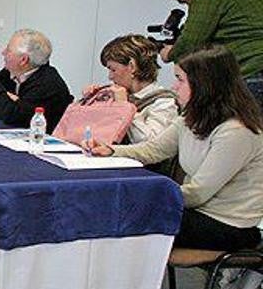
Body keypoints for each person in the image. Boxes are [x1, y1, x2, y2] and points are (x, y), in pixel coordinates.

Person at [85, 46, 263, 251]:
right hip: (197, 212)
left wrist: (144, 195)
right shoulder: (190, 119)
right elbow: (154, 150)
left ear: (204, 85)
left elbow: (198, 193)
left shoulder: (236, 132)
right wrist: (111, 151)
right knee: (119, 213)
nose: (174, 86)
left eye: (180, 80)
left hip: (227, 225)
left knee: (122, 218)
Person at [162, 0, 263, 105]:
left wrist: (169, 54)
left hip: (251, 68)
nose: (189, 6)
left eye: (184, 1)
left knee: (244, 124)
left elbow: (191, 41)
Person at [82, 34, 178, 145]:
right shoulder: (116, 95)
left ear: (132, 67)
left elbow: (151, 144)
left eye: (113, 69)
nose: (110, 77)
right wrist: (91, 102)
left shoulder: (164, 103)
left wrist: (124, 107)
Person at [0, 29, 73, 132]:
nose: (3, 52)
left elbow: (12, 116)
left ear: (23, 60)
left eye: (8, 50)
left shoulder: (48, 83)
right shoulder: (10, 72)